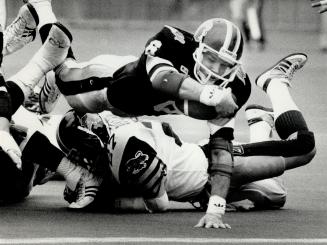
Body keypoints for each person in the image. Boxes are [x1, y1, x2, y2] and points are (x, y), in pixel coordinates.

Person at [52, 52, 315, 228]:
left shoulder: (124, 148)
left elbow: (159, 203)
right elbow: (165, 129)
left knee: (304, 149)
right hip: (197, 184)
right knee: (275, 195)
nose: (82, 164)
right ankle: (259, 122)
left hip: (209, 166)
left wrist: (108, 200)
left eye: (79, 157)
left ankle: (275, 83)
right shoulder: (117, 133)